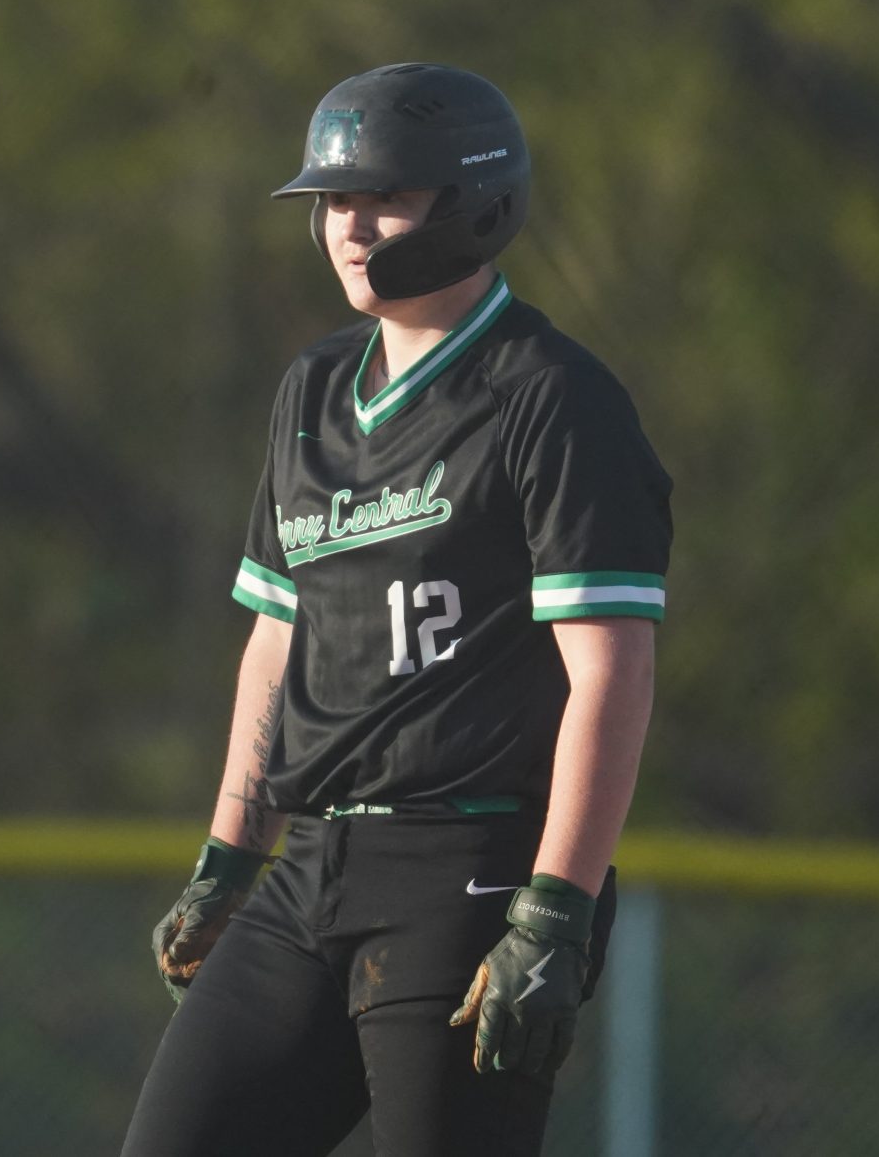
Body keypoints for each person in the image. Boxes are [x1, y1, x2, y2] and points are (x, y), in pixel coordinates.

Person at [120, 63, 672, 1157]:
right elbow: (278, 641)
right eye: (333, 199)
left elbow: (611, 673)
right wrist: (229, 857)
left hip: (469, 871)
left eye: (387, 196)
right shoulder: (313, 391)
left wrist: (556, 907)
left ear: (476, 200)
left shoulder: (550, 396)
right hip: (310, 866)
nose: (351, 226)